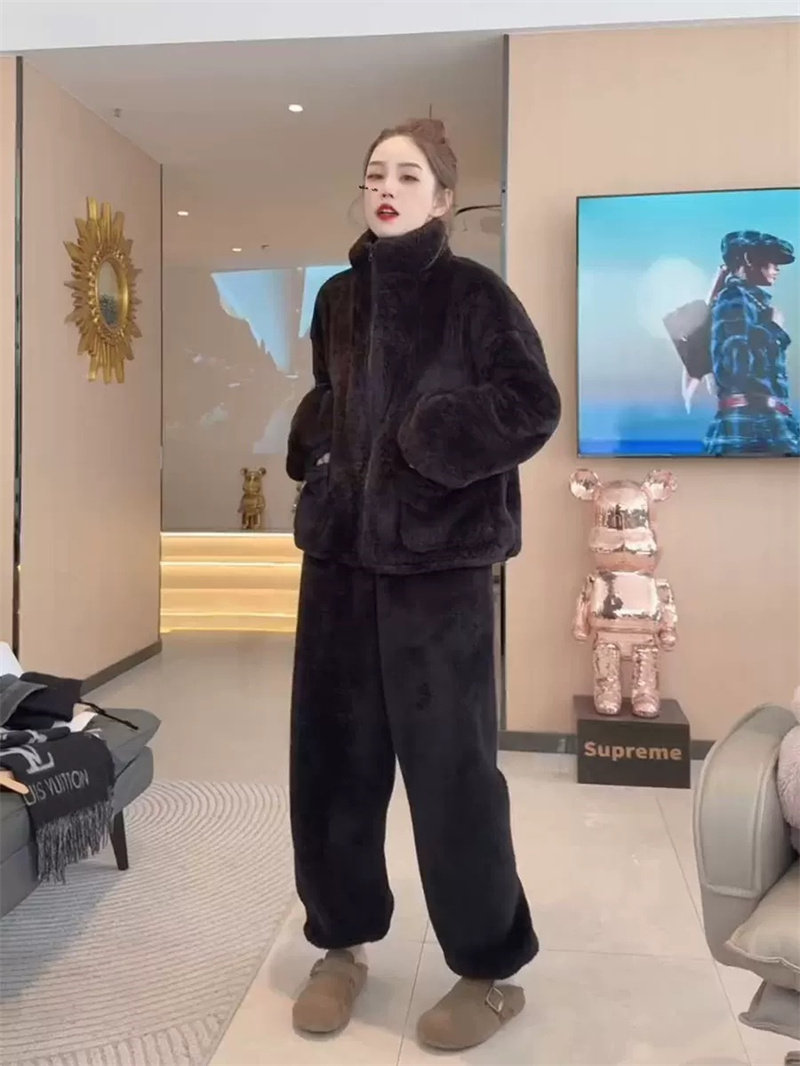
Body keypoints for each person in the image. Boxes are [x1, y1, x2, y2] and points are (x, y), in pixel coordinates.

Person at [286, 118, 560, 1052]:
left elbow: (531, 404)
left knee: (453, 775)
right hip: (338, 564)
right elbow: (333, 394)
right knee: (331, 767)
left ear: (443, 198)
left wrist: (429, 440)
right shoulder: (336, 298)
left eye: (408, 175)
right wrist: (318, 441)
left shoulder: (476, 294)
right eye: (376, 173)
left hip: (439, 571)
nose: (387, 188)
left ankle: (487, 969)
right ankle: (341, 945)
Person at [703, 230, 798, 456]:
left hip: (764, 423)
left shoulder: (748, 300)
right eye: (772, 259)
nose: (777, 268)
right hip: (753, 427)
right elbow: (735, 368)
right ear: (748, 259)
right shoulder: (735, 298)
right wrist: (773, 328)